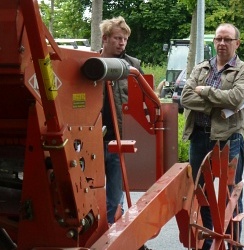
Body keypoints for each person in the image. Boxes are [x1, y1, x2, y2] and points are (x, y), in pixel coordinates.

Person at [181, 23, 244, 250]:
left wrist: (204, 92)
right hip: (199, 139)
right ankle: (209, 242)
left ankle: (232, 243)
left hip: (228, 139)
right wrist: (216, 103)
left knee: (229, 195)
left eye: (227, 40)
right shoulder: (201, 68)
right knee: (201, 193)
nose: (222, 43)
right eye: (218, 39)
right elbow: (185, 97)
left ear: (237, 43)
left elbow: (236, 98)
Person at [99, 16, 143, 225]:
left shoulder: (133, 66)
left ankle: (113, 234)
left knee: (115, 197)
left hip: (120, 139)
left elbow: (144, 97)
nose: (122, 43)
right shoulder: (88, 63)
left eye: (125, 39)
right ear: (105, 39)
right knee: (90, 192)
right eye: (117, 38)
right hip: (93, 139)